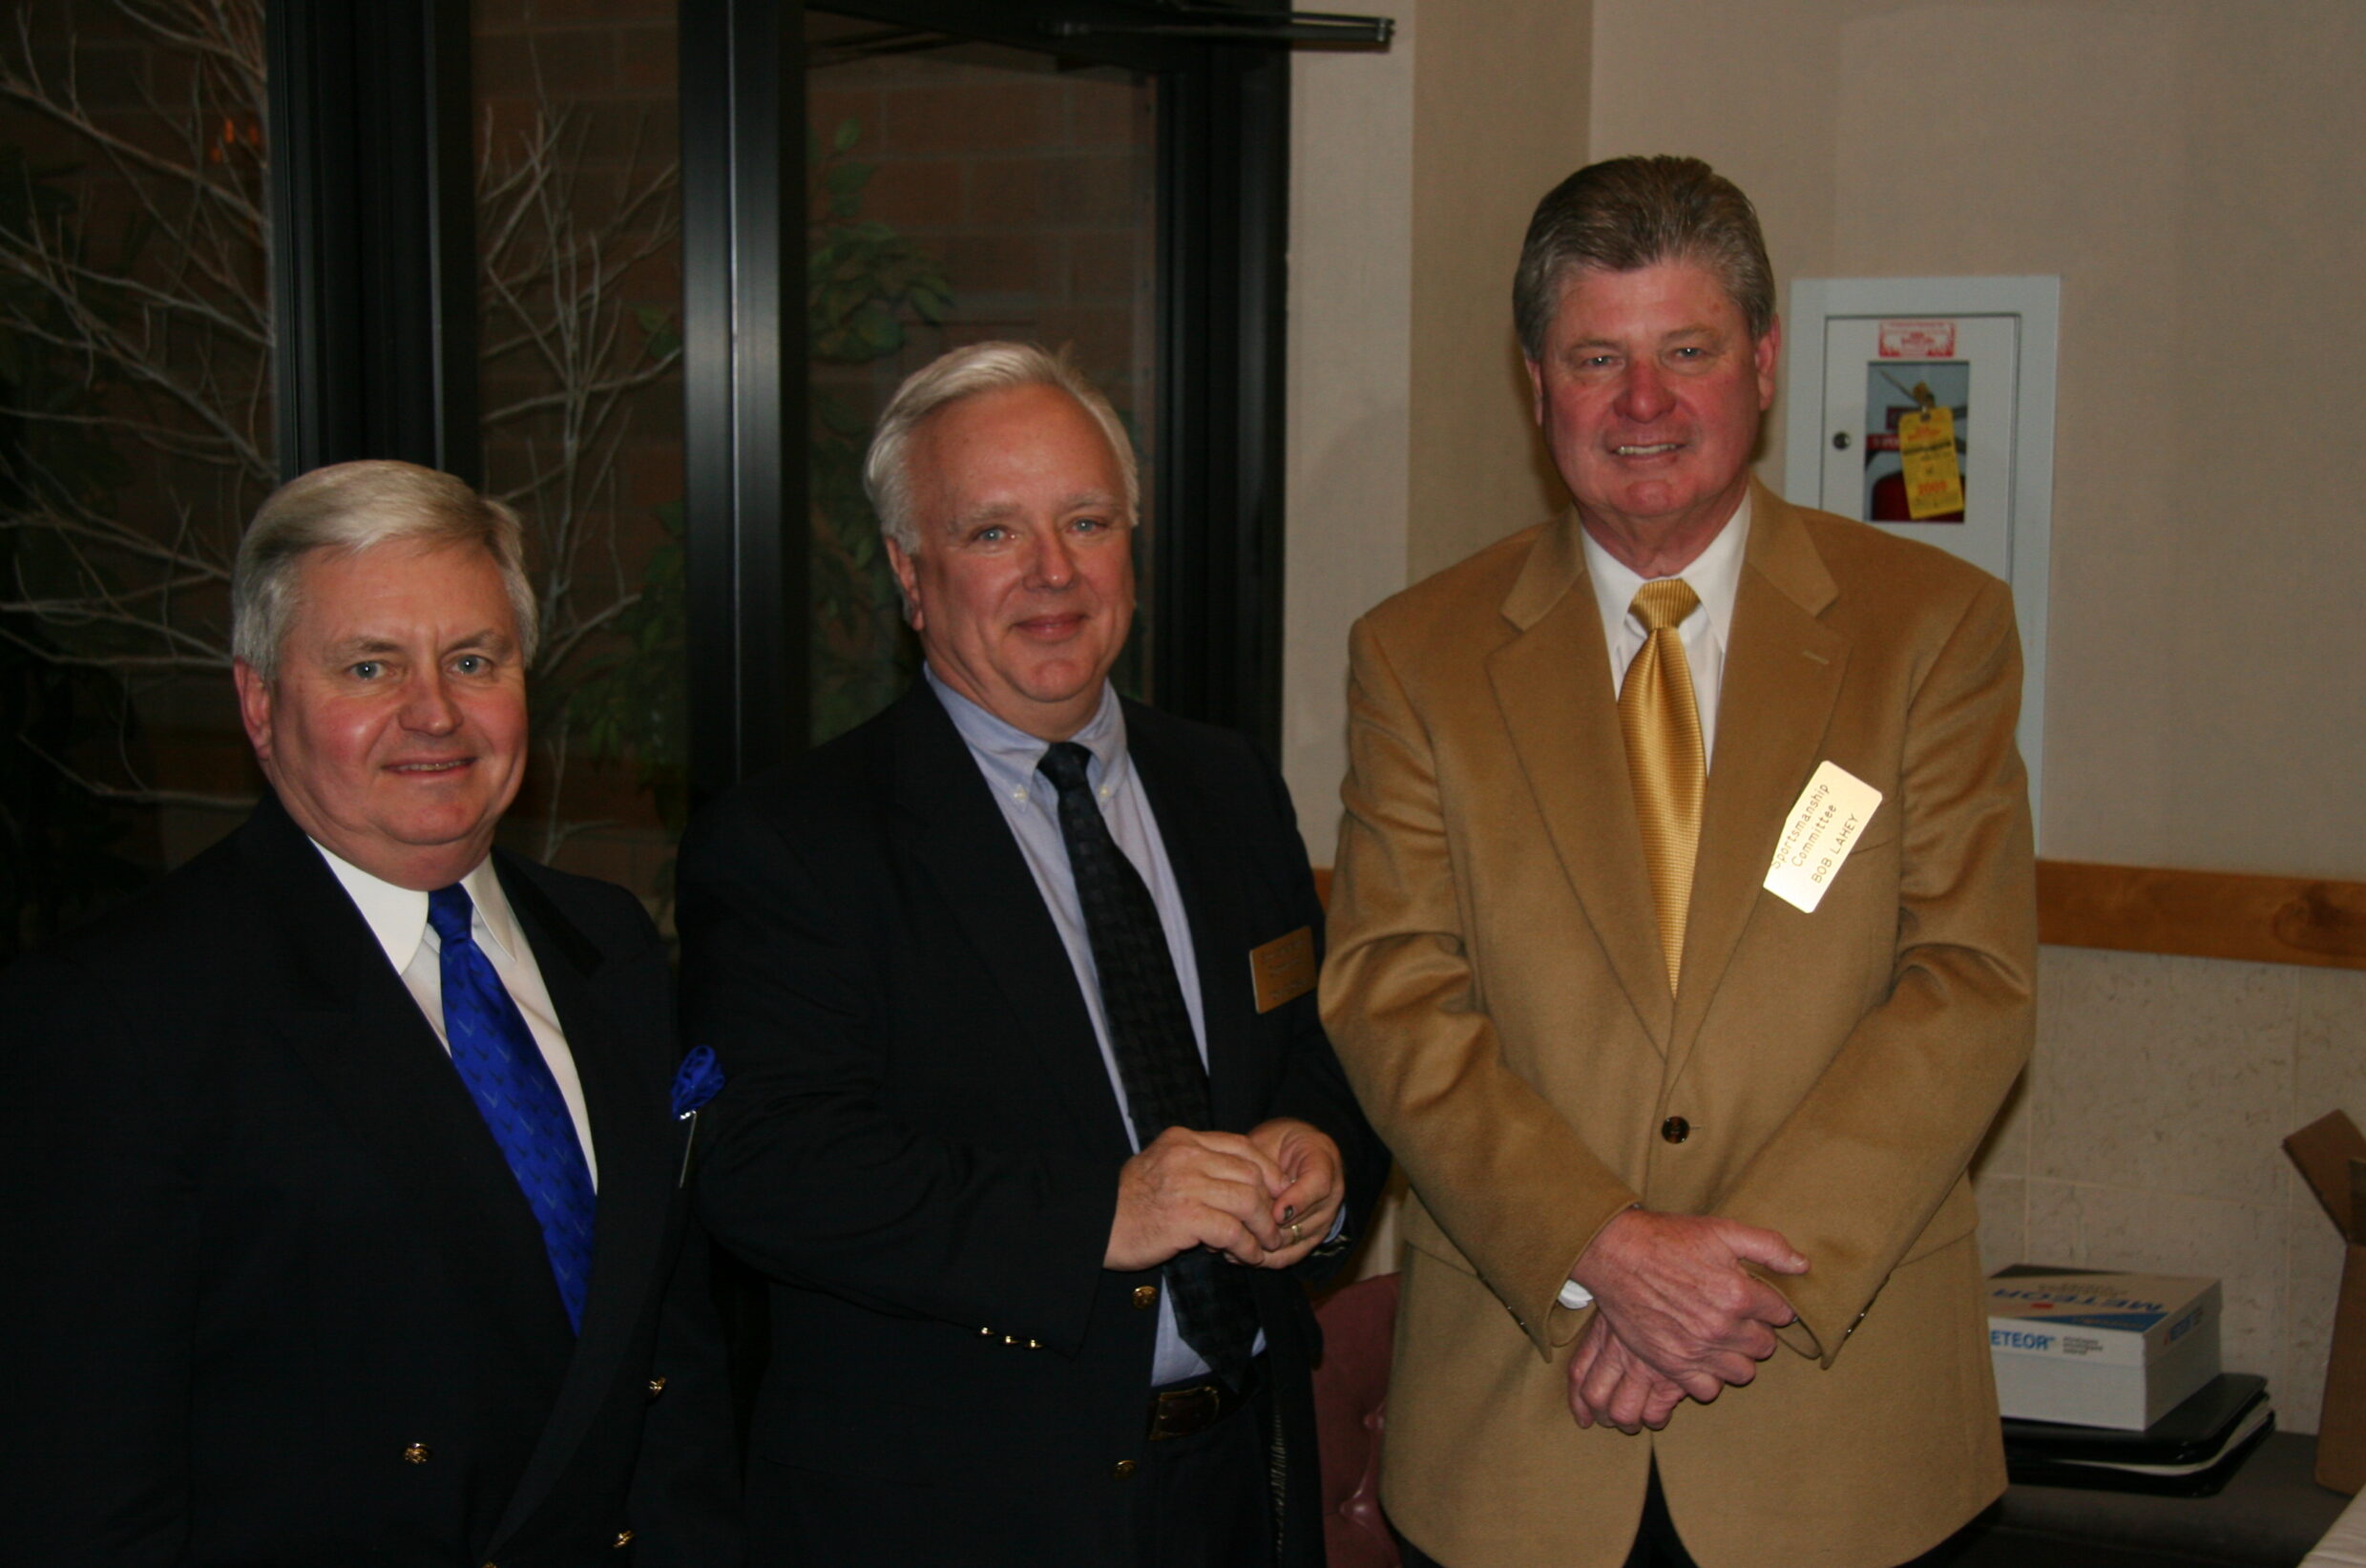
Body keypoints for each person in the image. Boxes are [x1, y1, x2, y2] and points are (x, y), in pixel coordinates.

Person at [1320, 157, 2037, 1568]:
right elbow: (1389, 992)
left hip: (1841, 1433)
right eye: (1598, 358)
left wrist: (1714, 1285)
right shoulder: (1415, 656)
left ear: (1761, 363)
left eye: (1687, 351)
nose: (1643, 403)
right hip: (1519, 1435)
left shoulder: (1930, 629)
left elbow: (1969, 984)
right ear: (1537, 385)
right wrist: (1604, 1246)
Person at [679, 341, 1387, 1568]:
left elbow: (1323, 1048)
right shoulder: (796, 843)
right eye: (993, 532)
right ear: (910, 575)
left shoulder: (1226, 787)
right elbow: (768, 1167)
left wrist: (1320, 1157)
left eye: (1086, 522)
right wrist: (1101, 1214)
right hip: (962, 1511)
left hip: (1238, 1489)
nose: (1053, 571)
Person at [0, 461, 736, 1566]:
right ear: (259, 704)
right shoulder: (119, 1017)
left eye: (473, 660)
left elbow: (666, 1372)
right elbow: (81, 1486)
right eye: (369, 666)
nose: (434, 711)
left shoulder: (610, 946)